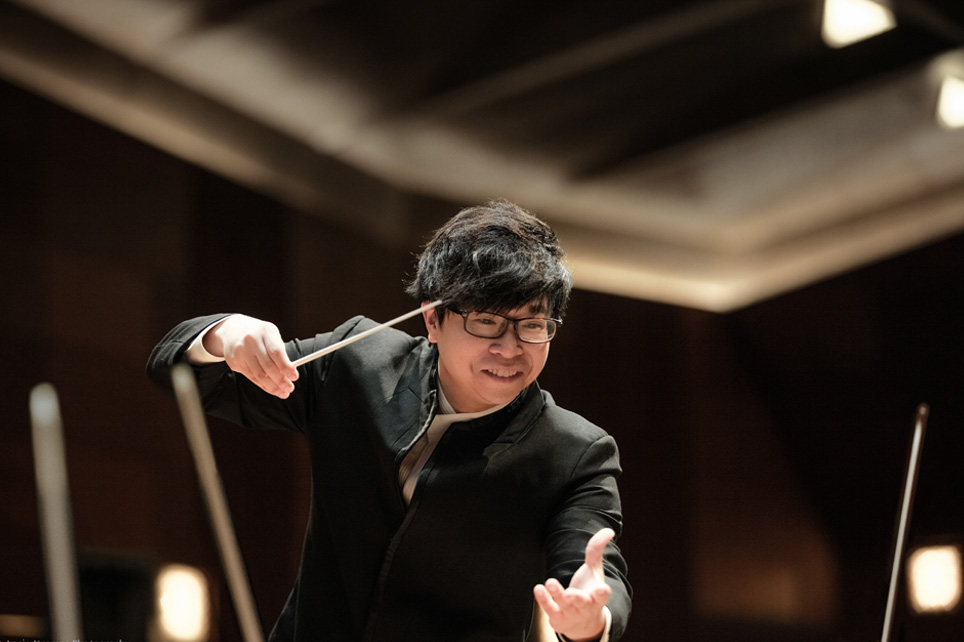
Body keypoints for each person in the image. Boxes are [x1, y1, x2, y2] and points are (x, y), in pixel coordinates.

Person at [147, 200, 631, 642]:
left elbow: (594, 570)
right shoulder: (358, 364)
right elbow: (181, 375)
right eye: (486, 321)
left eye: (532, 325)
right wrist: (227, 334)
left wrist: (591, 622)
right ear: (432, 319)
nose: (510, 348)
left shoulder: (575, 452)